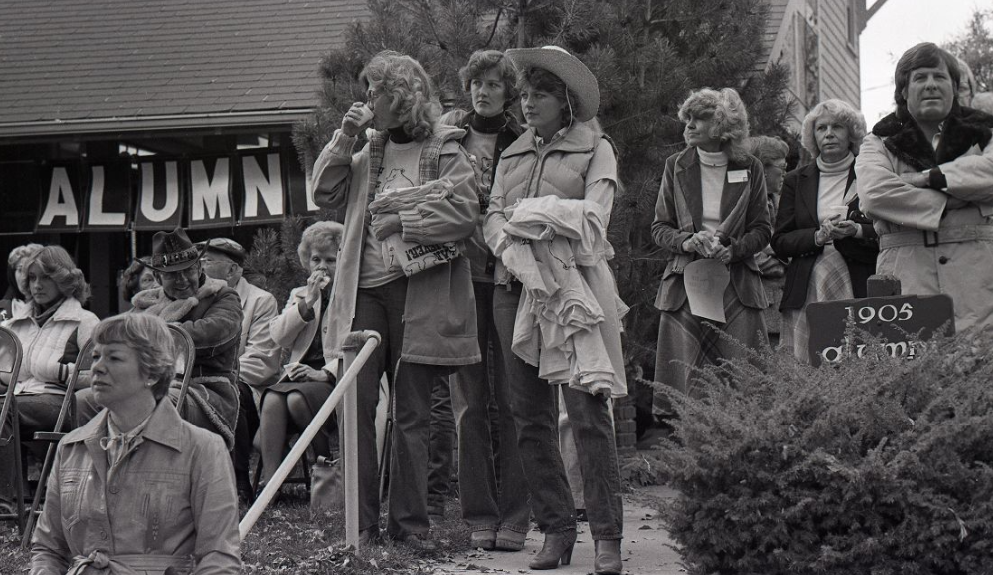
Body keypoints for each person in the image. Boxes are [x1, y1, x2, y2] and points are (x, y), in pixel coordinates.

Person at [311, 50, 480, 549]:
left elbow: (467, 213)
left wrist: (404, 222)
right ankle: (359, 525)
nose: (367, 100)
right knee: (356, 408)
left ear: (399, 95)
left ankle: (410, 527)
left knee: (411, 413)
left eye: (374, 92)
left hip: (417, 292)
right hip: (365, 293)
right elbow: (323, 191)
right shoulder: (367, 151)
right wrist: (344, 137)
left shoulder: (445, 149)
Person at [484, 45, 625, 574]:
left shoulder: (596, 146)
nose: (526, 104)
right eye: (523, 94)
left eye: (538, 94)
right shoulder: (512, 152)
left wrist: (530, 215)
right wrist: (514, 245)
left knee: (589, 412)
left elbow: (595, 218)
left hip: (576, 294)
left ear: (565, 100)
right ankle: (557, 532)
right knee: (528, 418)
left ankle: (607, 539)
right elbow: (492, 220)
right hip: (512, 290)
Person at [31, 313, 240, 574]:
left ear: (151, 373)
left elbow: (219, 559)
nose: (97, 367)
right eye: (96, 356)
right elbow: (48, 550)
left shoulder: (203, 449)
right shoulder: (72, 447)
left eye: (114, 358)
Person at [440, 48, 530, 551]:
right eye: (477, 83)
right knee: (469, 406)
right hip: (461, 279)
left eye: (494, 83)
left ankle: (517, 516)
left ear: (508, 91)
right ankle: (479, 514)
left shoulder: (524, 140)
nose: (484, 91)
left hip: (511, 281)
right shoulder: (448, 137)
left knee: (515, 402)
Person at [856, 43, 993, 332]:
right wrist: (956, 199)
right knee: (913, 370)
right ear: (903, 91)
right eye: (920, 78)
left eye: (939, 77)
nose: (931, 85)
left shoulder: (985, 132)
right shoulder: (878, 141)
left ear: (954, 88)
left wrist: (927, 178)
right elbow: (873, 194)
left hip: (980, 282)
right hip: (906, 280)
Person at [651, 88, 770, 412]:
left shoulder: (750, 167)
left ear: (723, 123)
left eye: (699, 118)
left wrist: (734, 249)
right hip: (686, 287)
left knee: (746, 392)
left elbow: (763, 229)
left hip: (738, 286)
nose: (688, 125)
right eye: (686, 118)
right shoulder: (675, 165)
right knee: (689, 395)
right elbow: (659, 228)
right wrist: (688, 241)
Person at [76, 228, 243, 449]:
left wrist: (147, 335)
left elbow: (213, 333)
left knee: (150, 401)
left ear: (199, 267)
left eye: (188, 271)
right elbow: (118, 339)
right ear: (157, 277)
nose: (182, 280)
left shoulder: (222, 296)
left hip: (205, 392)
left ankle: (148, 473)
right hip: (146, 386)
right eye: (172, 274)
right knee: (83, 401)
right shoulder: (146, 304)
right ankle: (98, 473)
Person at [772, 99, 878, 359]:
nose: (829, 134)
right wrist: (817, 236)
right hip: (806, 284)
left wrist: (856, 230)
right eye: (821, 128)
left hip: (859, 282)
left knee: (858, 365)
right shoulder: (796, 180)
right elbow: (781, 241)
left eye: (837, 127)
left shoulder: (870, 174)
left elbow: (887, 230)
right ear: (813, 136)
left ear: (851, 133)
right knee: (806, 367)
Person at [1, 245, 99, 513]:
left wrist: (60, 373)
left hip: (61, 402)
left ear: (64, 279)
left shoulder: (85, 321)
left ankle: (4, 502)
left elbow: (99, 378)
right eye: (32, 278)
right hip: (18, 398)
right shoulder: (15, 323)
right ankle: (12, 501)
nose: (37, 285)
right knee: (4, 408)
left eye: (45, 277)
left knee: (3, 410)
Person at [199, 237, 281, 503]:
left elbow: (261, 361)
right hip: (202, 383)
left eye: (207, 262)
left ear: (232, 270)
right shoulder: (198, 300)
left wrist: (219, 377)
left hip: (250, 389)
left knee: (232, 392)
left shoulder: (261, 301)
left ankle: (239, 480)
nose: (199, 268)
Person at [263, 221, 343, 486]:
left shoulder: (352, 295)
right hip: (300, 378)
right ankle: (272, 485)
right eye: (316, 259)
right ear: (306, 262)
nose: (321, 266)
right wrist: (308, 303)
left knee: (296, 399)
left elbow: (355, 344)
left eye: (330, 259)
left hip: (337, 378)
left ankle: (326, 471)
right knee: (274, 398)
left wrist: (324, 373)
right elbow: (279, 336)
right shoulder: (300, 294)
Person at [745, 136, 790, 344]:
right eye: (781, 167)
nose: (785, 173)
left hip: (782, 306)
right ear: (761, 170)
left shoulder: (779, 202)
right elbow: (746, 252)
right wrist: (783, 262)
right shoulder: (743, 205)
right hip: (758, 304)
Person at [0, 243, 43, 322]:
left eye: (30, 271)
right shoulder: (2, 309)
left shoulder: (52, 310)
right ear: (13, 274)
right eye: (20, 270)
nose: (24, 277)